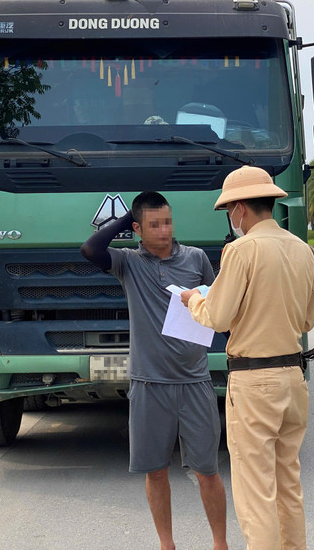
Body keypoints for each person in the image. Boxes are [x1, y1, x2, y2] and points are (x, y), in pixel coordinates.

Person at [80, 191, 228, 550]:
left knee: (208, 471)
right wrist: (123, 220)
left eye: (168, 222)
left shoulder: (194, 258)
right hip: (148, 384)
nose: (164, 230)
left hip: (194, 381)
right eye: (154, 224)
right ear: (137, 229)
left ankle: (220, 543)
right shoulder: (129, 263)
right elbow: (90, 250)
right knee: (155, 469)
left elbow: (216, 303)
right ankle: (167, 544)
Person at [180, 166, 314, 550]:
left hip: (254, 381)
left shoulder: (241, 250)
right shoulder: (302, 249)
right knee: (288, 482)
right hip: (293, 376)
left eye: (229, 210)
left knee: (256, 492)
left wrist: (195, 300)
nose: (231, 218)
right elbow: (307, 319)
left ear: (239, 209)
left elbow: (218, 317)